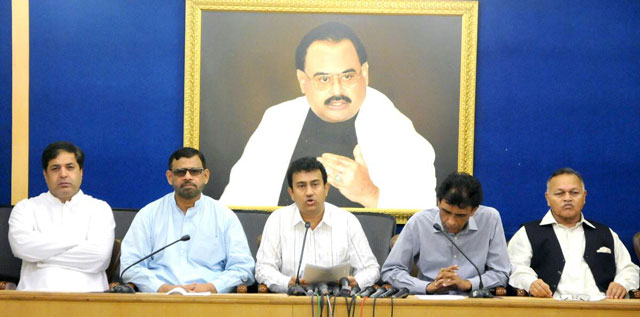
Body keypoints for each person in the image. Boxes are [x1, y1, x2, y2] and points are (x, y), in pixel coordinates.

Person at [220, 22, 436, 209]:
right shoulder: (277, 121)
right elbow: (235, 206)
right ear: (303, 82)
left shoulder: (396, 129)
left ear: (365, 73)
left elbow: (425, 219)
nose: (337, 90)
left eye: (348, 76)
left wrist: (369, 194)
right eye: (323, 79)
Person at [120, 147, 254, 293]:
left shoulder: (224, 216)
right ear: (170, 177)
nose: (188, 177)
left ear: (206, 176)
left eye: (195, 171)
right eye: (180, 172)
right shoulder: (149, 215)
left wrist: (211, 287)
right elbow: (130, 265)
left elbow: (243, 268)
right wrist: (162, 288)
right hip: (159, 299)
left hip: (210, 301)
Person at [508, 168, 639, 299]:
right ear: (547, 198)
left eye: (574, 193)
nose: (567, 198)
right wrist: (531, 283)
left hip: (600, 306)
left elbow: (629, 269)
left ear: (584, 196)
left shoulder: (605, 233)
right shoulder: (527, 233)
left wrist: (622, 284)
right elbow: (515, 268)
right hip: (550, 307)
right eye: (559, 193)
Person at [254, 157, 379, 293]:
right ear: (291, 193)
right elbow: (263, 268)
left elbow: (370, 269)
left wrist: (356, 281)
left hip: (338, 304)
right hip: (291, 304)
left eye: (315, 184)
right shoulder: (277, 221)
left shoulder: (347, 221)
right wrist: (287, 283)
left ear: (326, 188)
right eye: (301, 186)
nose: (309, 192)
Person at [8, 141, 115, 292]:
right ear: (45, 174)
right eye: (55, 168)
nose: (63, 174)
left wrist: (40, 258)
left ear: (81, 172)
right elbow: (21, 247)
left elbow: (99, 257)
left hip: (90, 301)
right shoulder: (25, 208)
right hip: (33, 301)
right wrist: (77, 242)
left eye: (70, 167)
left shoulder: (100, 209)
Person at [381, 172, 510, 295]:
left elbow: (501, 273)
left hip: (473, 300)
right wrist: (427, 287)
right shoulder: (419, 222)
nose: (451, 222)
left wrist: (468, 284)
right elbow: (391, 270)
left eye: (460, 215)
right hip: (428, 301)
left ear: (474, 210)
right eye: (446, 212)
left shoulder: (490, 219)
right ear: (438, 201)